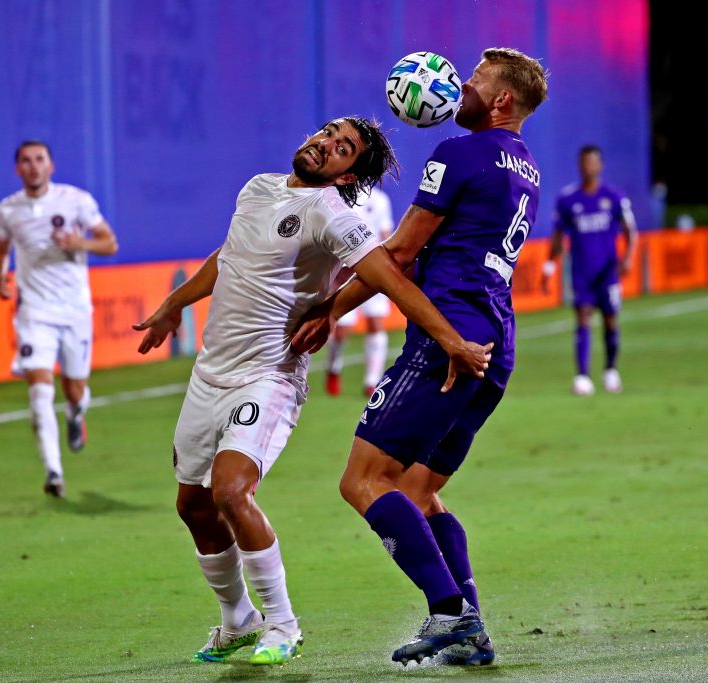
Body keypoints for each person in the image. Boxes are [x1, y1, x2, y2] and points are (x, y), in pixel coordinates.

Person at [133, 117, 491, 667]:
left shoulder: (332, 213)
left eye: (343, 148)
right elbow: (227, 258)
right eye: (328, 133)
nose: (326, 144)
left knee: (231, 492)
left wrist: (450, 340)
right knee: (193, 506)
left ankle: (283, 624)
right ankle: (238, 619)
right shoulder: (257, 188)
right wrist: (174, 304)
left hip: (269, 374)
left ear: (349, 176)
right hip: (210, 374)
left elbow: (390, 277)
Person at [292, 47, 548, 666]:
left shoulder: (460, 153)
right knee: (417, 489)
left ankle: (449, 611)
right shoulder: (528, 166)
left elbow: (399, 253)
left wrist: (331, 308)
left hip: (449, 341)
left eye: (476, 81)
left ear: (503, 100)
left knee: (363, 481)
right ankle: (471, 625)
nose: (463, 86)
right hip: (495, 344)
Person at [0, 140, 119, 498]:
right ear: (17, 169)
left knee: (74, 390)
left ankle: (76, 415)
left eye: (39, 159)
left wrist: (82, 244)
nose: (33, 166)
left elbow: (110, 243)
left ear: (52, 165)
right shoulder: (8, 211)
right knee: (39, 391)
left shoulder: (76, 201)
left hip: (75, 312)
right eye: (26, 161)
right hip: (34, 312)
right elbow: (0, 250)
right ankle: (53, 472)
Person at [541, 145, 638, 396]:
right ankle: (583, 376)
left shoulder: (613, 196)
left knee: (610, 320)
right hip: (582, 272)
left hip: (608, 271)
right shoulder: (568, 199)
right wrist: (549, 266)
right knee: (582, 317)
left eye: (593, 162)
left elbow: (630, 231)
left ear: (600, 165)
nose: (588, 167)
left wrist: (627, 258)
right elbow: (558, 237)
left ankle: (610, 370)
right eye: (584, 162)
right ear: (579, 165)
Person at [325, 186, 396, 397]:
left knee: (375, 322)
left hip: (372, 273)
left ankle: (372, 381)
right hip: (344, 274)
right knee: (340, 329)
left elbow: (386, 234)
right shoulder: (338, 197)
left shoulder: (380, 199)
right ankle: (333, 367)